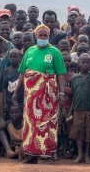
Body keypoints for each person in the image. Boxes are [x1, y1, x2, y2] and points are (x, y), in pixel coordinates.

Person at [13, 24, 67, 163]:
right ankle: (31, 155)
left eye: (45, 36)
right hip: (30, 95)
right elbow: (22, 73)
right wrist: (16, 91)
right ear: (35, 36)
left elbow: (60, 73)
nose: (43, 38)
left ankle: (48, 155)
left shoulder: (54, 52)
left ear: (48, 37)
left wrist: (61, 93)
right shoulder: (29, 51)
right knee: (30, 123)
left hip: (49, 94)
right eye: (40, 35)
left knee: (48, 123)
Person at [68, 53, 90, 164]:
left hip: (89, 109)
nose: (86, 64)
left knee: (89, 132)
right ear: (78, 63)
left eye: (88, 62)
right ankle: (80, 154)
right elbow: (74, 95)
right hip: (77, 109)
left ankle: (87, 155)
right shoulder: (75, 78)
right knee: (78, 132)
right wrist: (71, 110)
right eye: (83, 62)